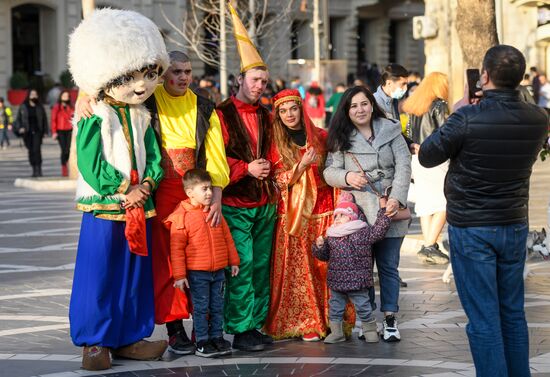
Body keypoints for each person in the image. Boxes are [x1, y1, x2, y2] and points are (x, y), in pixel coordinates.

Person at [77, 51, 230, 356]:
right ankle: (172, 328)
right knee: (161, 262)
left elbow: (214, 153)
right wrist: (83, 93)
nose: (183, 77)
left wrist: (216, 194)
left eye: (187, 71)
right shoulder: (145, 101)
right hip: (154, 196)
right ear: (162, 75)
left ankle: (203, 326)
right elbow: (108, 80)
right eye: (175, 71)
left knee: (201, 257)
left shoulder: (203, 106)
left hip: (192, 192)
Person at [419, 45, 548, 377]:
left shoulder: (466, 117)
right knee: (513, 314)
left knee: (484, 318)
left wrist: (460, 110)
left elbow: (428, 155)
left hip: (472, 226)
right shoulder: (538, 119)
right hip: (513, 223)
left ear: (485, 76)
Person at [67, 8, 168, 370]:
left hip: (140, 204)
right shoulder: (95, 113)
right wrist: (125, 188)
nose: (142, 85)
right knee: (100, 273)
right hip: (107, 205)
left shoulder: (141, 113)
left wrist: (147, 184)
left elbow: (155, 155)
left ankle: (129, 335)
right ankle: (95, 340)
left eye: (149, 74)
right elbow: (91, 163)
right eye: (131, 76)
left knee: (134, 273)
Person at [324, 86, 411, 342]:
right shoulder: (342, 137)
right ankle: (368, 321)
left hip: (390, 207)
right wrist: (347, 176)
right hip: (359, 216)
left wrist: (396, 197)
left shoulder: (391, 128)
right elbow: (330, 171)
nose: (359, 110)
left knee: (388, 266)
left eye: (364, 104)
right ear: (346, 111)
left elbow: (404, 165)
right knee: (363, 268)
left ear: (372, 105)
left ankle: (390, 318)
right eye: (353, 106)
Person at [216, 3, 278, 352]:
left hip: (265, 202)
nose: (259, 86)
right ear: (239, 79)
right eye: (254, 80)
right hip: (237, 202)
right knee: (241, 265)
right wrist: (245, 169)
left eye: (264, 82)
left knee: (261, 267)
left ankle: (255, 324)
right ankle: (240, 328)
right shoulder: (221, 114)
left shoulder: (268, 115)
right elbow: (212, 158)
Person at [264, 88, 335, 341]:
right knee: (299, 271)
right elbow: (276, 181)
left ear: (301, 108)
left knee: (323, 268)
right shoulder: (275, 144)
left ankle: (330, 320)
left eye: (293, 108)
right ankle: (306, 322)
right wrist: (300, 166)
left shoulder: (322, 137)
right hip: (293, 216)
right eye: (283, 111)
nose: (289, 114)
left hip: (323, 213)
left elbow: (334, 173)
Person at [164, 169, 240, 358]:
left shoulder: (215, 212)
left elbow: (227, 238)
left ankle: (217, 337)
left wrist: (233, 261)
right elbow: (177, 249)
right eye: (204, 189)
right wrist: (180, 276)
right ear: (190, 192)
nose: (209, 193)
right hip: (198, 273)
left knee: (217, 306)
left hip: (219, 271)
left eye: (210, 189)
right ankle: (202, 341)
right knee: (201, 308)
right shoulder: (182, 216)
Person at [312, 192, 391, 344]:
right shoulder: (332, 235)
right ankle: (337, 332)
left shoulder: (362, 232)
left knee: (363, 307)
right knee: (335, 308)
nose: (337, 219)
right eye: (335, 216)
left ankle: (370, 331)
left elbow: (379, 230)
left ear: (352, 217)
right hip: (337, 281)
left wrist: (384, 212)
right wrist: (319, 247)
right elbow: (324, 255)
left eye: (341, 215)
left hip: (357, 281)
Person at [402, 72, 450, 265]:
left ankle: (428, 244)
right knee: (445, 202)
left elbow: (406, 132)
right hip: (435, 158)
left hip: (416, 158)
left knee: (426, 203)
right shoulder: (439, 105)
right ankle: (429, 245)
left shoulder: (414, 106)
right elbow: (445, 131)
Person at [14, 89, 48, 177]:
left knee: (37, 150)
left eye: (35, 94)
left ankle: (38, 169)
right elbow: (18, 119)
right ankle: (34, 169)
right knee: (30, 151)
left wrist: (45, 131)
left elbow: (44, 119)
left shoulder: (40, 106)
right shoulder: (23, 106)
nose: (33, 96)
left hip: (37, 131)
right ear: (28, 96)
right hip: (27, 132)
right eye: (32, 94)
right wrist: (20, 128)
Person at [51, 90, 74, 176]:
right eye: (64, 96)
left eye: (67, 96)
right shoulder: (57, 107)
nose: (65, 98)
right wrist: (54, 132)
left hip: (69, 130)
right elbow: (53, 120)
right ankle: (64, 168)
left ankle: (68, 166)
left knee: (68, 149)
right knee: (64, 150)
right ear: (61, 97)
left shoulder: (71, 107)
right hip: (60, 130)